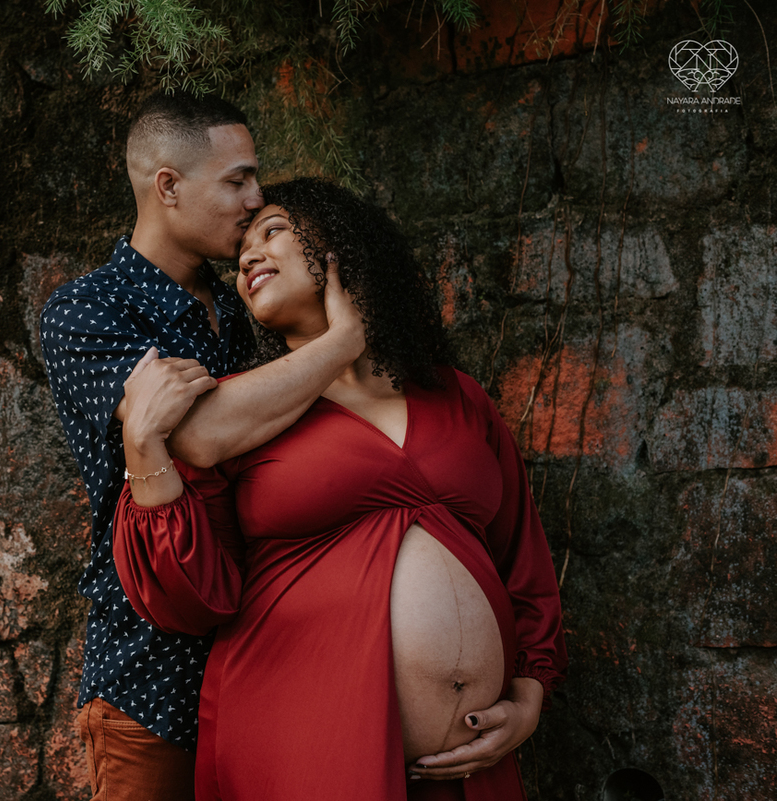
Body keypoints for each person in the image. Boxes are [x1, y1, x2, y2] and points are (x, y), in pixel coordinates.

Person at [112, 178, 568, 800]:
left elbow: (525, 565)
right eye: (241, 250)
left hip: (471, 766)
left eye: (271, 230)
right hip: (302, 736)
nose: (248, 255)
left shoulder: (457, 396)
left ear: (343, 249)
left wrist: (528, 699)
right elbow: (189, 600)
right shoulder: (235, 415)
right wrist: (144, 450)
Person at [39, 94, 368, 800]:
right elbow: (200, 434)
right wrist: (344, 339)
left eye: (256, 181)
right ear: (168, 186)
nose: (255, 199)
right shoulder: (88, 309)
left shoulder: (249, 302)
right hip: (154, 678)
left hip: (266, 668)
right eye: (237, 180)